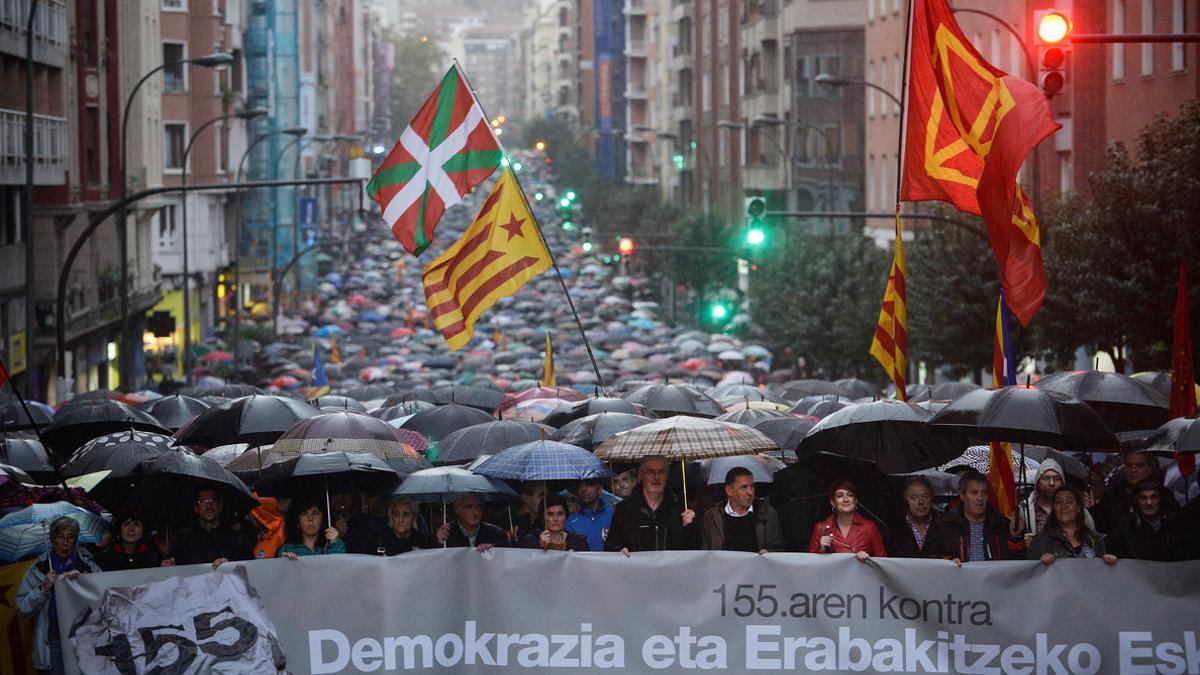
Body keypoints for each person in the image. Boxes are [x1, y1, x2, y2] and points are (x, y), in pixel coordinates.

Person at [17, 517, 101, 674]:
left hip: (84, 636)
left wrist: (84, 581)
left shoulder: (88, 566)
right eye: (60, 537)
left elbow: (103, 599)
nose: (65, 542)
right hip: (53, 638)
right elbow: (22, 609)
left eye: (71, 537)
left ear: (75, 540)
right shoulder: (37, 569)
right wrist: (43, 588)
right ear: (52, 539)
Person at [605, 456, 698, 554]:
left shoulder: (680, 508)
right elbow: (610, 546)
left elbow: (693, 551)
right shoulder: (623, 509)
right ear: (641, 475)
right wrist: (619, 550)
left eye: (661, 472)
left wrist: (688, 528)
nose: (656, 477)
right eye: (650, 472)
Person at [941, 470, 1025, 563]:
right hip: (960, 577)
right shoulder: (947, 525)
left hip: (994, 577)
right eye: (974, 493)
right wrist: (949, 562)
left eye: (984, 493)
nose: (980, 498)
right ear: (962, 495)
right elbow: (936, 557)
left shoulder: (1001, 524)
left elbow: (1015, 564)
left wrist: (1014, 537)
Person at [701, 467, 785, 553]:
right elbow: (706, 552)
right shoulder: (712, 516)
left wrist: (769, 553)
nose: (750, 492)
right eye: (744, 487)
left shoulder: (768, 514)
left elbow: (780, 548)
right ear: (729, 490)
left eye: (752, 486)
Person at [1027, 485, 1118, 565]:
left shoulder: (1094, 539)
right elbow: (1031, 573)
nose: (1063, 506)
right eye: (1058, 502)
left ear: (1078, 507)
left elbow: (1102, 573)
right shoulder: (1041, 540)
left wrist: (1109, 563)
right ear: (1053, 508)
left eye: (1069, 502)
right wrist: (1040, 563)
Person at [1094, 450, 1180, 535]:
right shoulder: (1112, 497)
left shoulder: (1164, 495)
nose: (1133, 470)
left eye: (1139, 465)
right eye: (1128, 465)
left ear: (1150, 468)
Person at [166, 489, 253, 568]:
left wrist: (231, 565)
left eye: (212, 500)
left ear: (220, 506)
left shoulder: (238, 538)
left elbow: (249, 568)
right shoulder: (183, 541)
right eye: (203, 501)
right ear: (196, 509)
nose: (209, 506)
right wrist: (166, 567)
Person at [806, 480, 886, 560]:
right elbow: (810, 563)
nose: (845, 499)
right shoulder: (820, 528)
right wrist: (821, 549)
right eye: (839, 496)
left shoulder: (869, 527)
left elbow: (882, 562)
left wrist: (869, 560)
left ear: (855, 500)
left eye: (850, 495)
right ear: (833, 502)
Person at [1112, 480, 1183, 561]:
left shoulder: (1174, 523)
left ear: (1160, 499)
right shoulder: (1126, 527)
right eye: (1143, 498)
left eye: (1153, 497)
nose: (1149, 503)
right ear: (1136, 501)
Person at [886, 476, 948, 558]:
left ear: (931, 498)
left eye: (925, 496)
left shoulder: (945, 526)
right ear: (905, 500)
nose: (920, 502)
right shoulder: (894, 529)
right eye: (914, 498)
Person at [94, 509, 164, 571]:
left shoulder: (153, 556)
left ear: (143, 529)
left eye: (136, 525)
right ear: (119, 529)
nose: (131, 529)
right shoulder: (104, 557)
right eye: (126, 525)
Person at [436, 494, 508, 552]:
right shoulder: (447, 533)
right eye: (469, 507)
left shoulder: (497, 534)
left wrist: (493, 552)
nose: (476, 512)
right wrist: (438, 542)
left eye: (479, 507)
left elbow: (508, 559)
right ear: (458, 509)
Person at [277, 497, 346, 559]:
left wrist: (334, 544)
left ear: (323, 517)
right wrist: (284, 563)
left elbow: (339, 568)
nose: (310, 518)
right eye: (304, 513)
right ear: (297, 519)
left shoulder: (335, 544)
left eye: (315, 513)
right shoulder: (286, 549)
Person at [520, 494, 590, 551]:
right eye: (550, 514)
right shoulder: (531, 540)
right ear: (542, 517)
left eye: (560, 514)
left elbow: (586, 566)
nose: (555, 519)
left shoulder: (578, 542)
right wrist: (540, 547)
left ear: (566, 516)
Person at [566, 478, 614, 551]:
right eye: (579, 486)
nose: (583, 489)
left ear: (600, 489)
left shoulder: (614, 514)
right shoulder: (570, 522)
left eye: (589, 484)